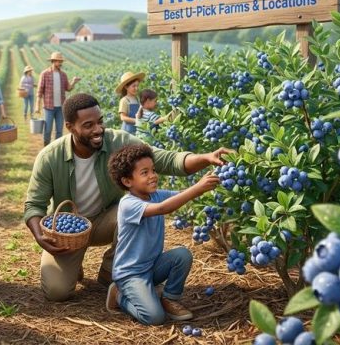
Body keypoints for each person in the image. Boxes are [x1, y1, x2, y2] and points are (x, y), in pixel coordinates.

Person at [23, 93, 231, 302]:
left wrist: (205, 158)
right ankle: (73, 265)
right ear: (70, 127)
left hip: (107, 219)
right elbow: (34, 205)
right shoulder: (50, 157)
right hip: (70, 231)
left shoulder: (118, 141)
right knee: (56, 291)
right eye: (88, 125)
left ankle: (109, 272)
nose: (98, 130)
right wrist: (39, 236)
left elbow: (165, 159)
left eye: (100, 122)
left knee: (137, 210)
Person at [105, 144, 219, 324]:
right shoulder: (128, 204)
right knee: (154, 317)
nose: (153, 176)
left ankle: (169, 298)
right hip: (131, 274)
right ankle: (119, 295)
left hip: (152, 266)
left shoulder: (155, 195)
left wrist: (209, 183)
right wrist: (197, 188)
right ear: (127, 181)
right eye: (145, 173)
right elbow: (164, 208)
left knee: (182, 255)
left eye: (153, 170)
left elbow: (180, 195)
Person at [36, 51, 81, 146]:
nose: (60, 63)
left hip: (60, 107)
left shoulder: (63, 75)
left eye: (61, 61)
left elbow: (68, 88)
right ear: (53, 61)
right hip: (48, 107)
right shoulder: (45, 74)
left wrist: (73, 81)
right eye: (58, 61)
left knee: (59, 130)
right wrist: (37, 106)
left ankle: (57, 149)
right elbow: (39, 91)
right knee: (48, 130)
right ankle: (46, 147)